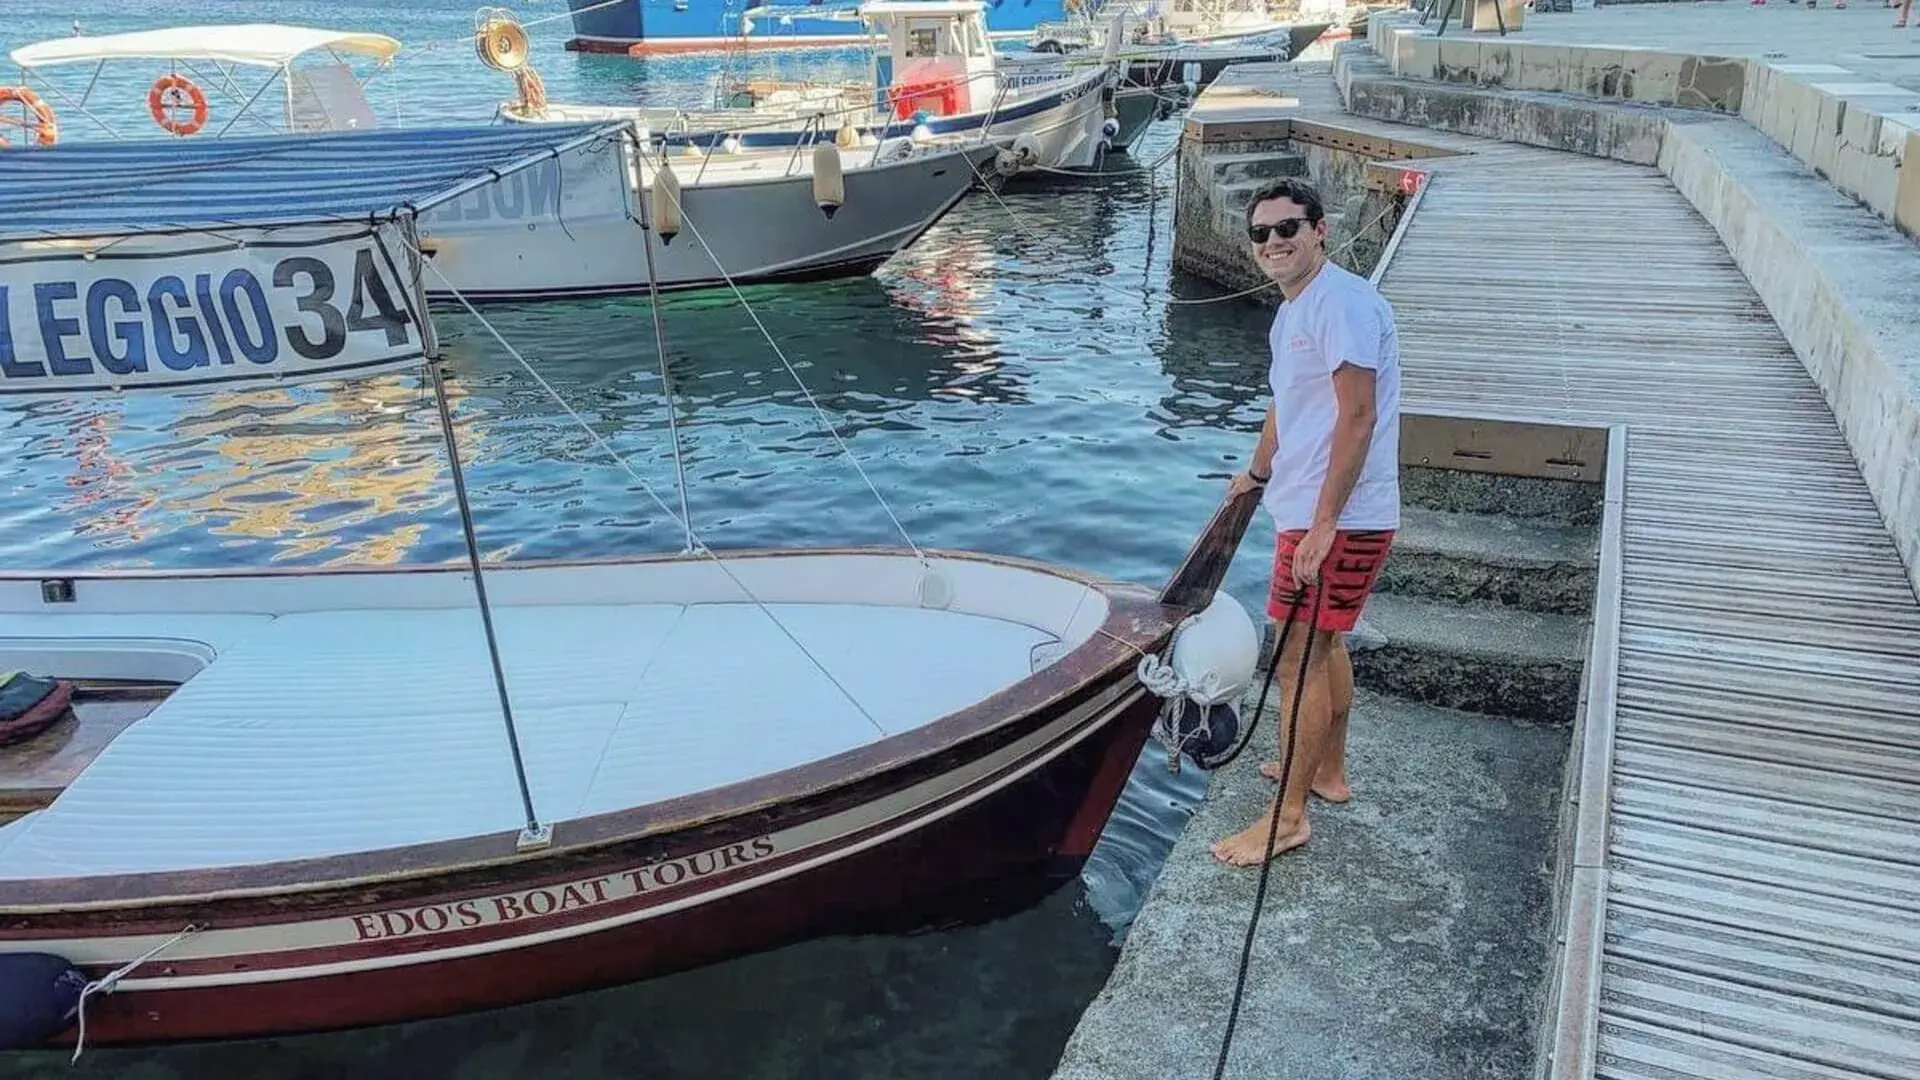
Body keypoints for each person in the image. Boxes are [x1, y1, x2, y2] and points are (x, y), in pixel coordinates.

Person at [1210, 177, 1403, 868]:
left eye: (1287, 228)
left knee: (1296, 660)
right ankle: (1326, 772)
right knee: (1323, 647)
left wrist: (1324, 524)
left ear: (1320, 229)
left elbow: (1358, 415)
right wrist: (1258, 475)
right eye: (1261, 234)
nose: (1274, 243)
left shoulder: (1342, 304)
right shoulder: (1296, 311)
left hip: (1340, 519)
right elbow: (1287, 408)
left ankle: (1288, 819)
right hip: (1309, 508)